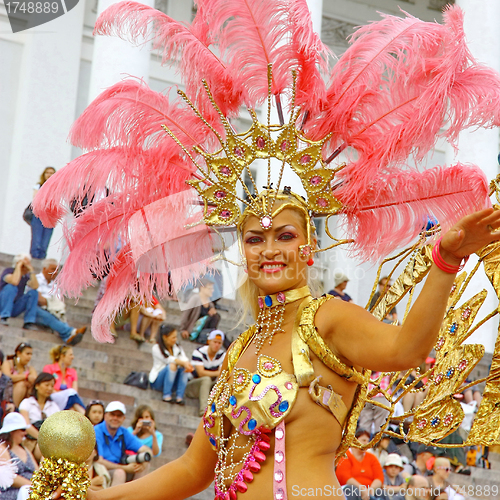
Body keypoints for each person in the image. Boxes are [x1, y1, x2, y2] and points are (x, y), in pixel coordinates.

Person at [41, 3, 500, 500]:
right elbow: (193, 470)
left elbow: (404, 350)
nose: (269, 250)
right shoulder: (240, 351)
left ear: (310, 246)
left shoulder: (326, 321)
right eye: (255, 239)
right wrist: (89, 497)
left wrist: (446, 261)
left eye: (283, 235)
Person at [94, 401, 152, 486]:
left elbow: (146, 450)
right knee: (120, 473)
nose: (115, 418)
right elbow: (99, 460)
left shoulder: (123, 432)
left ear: (123, 418)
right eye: (112, 414)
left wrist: (143, 464)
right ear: (105, 416)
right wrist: (125, 468)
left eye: (119, 416)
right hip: (100, 469)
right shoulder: (97, 431)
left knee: (145, 465)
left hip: (119, 466)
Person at [35, 258, 87, 345]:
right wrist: (51, 304)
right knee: (50, 315)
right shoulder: (36, 279)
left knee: (58, 313)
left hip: (52, 310)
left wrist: (51, 304)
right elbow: (39, 300)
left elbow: (58, 304)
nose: (55, 272)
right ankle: (71, 332)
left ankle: (68, 337)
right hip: (37, 310)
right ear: (44, 269)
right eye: (53, 269)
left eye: (57, 270)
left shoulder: (55, 286)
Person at [185, 329, 226, 416]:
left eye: (219, 343)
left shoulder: (222, 355)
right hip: (193, 385)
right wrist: (217, 373)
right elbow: (201, 373)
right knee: (206, 379)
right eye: (215, 342)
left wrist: (219, 373)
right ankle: (203, 410)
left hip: (210, 387)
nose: (217, 345)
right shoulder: (199, 352)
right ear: (209, 341)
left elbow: (222, 374)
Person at [149, 324, 193, 404]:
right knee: (172, 365)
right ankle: (166, 395)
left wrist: (187, 364)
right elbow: (169, 360)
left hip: (173, 381)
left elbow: (184, 358)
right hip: (158, 381)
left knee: (184, 368)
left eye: (176, 337)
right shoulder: (156, 348)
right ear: (165, 337)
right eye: (173, 337)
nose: (175, 340)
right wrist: (183, 363)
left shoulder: (177, 347)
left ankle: (179, 397)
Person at [336, 429, 384, 500]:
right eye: (363, 440)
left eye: (368, 441)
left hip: (369, 490)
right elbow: (344, 476)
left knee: (381, 492)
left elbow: (379, 477)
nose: (366, 443)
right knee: (352, 491)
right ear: (355, 441)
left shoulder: (372, 457)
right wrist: (362, 488)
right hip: (350, 488)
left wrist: (372, 489)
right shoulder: (345, 455)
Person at [0, 412, 38, 500]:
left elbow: (37, 472)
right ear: (13, 430)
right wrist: (34, 486)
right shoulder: (3, 448)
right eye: (23, 429)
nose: (25, 433)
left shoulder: (25, 448)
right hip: (13, 492)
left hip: (32, 489)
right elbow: (9, 477)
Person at [42, 345, 86, 413]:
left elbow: (75, 392)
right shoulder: (49, 368)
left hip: (69, 402)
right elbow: (48, 388)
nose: (73, 357)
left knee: (73, 409)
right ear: (62, 356)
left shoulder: (73, 372)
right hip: (52, 398)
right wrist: (64, 394)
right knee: (71, 393)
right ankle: (87, 416)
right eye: (70, 355)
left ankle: (86, 417)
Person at [0, 254, 39, 328]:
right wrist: (18, 266)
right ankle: (3, 316)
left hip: (14, 307)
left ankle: (29, 322)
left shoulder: (26, 277)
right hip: (2, 303)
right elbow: (14, 281)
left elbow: (35, 286)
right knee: (11, 287)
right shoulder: (8, 271)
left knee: (33, 293)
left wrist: (31, 270)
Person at [18, 372, 59, 439]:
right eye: (47, 385)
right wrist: (42, 439)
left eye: (52, 386)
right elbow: (26, 425)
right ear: (37, 386)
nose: (50, 388)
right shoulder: (27, 403)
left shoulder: (54, 406)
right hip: (30, 439)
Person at [30, 166, 56, 259]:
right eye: (47, 172)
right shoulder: (39, 186)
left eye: (51, 173)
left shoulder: (56, 187)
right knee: (36, 241)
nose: (49, 175)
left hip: (50, 216)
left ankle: (41, 259)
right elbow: (36, 199)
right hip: (39, 215)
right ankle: (34, 259)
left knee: (45, 242)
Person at [1, 343, 37, 407]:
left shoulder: (30, 369)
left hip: (26, 395)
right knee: (21, 384)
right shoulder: (8, 363)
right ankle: (14, 408)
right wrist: (25, 377)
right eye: (27, 354)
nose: (29, 357)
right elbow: (6, 378)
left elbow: (35, 379)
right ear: (18, 353)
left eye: (31, 354)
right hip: (7, 393)